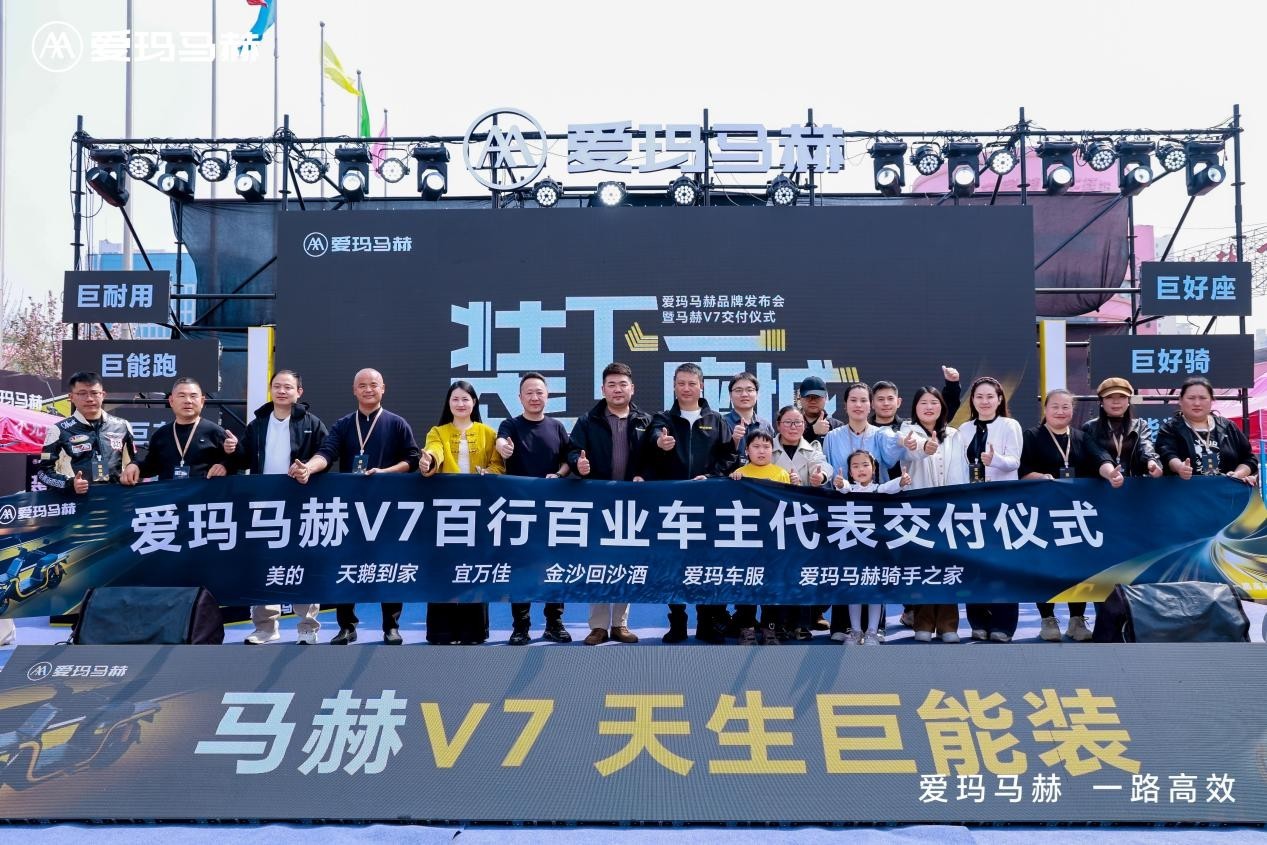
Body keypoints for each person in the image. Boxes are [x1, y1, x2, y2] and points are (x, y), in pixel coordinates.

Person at [290, 368, 420, 645]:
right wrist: (309, 468)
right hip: (349, 508)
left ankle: (391, 626)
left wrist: (386, 472)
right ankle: (346, 626)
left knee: (389, 564)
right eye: (362, 385)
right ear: (354, 390)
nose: (368, 389)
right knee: (345, 565)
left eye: (373, 384)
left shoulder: (397, 424)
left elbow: (412, 459)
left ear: (383, 388)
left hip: (387, 508)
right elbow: (326, 453)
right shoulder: (344, 424)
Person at [25, 371, 138, 648]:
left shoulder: (122, 426)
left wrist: (133, 475)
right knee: (80, 570)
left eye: (95, 393)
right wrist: (68, 484)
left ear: (104, 394)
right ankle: (81, 634)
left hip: (116, 510)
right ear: (72, 397)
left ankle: (117, 630)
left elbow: (134, 464)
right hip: (77, 511)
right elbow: (43, 472)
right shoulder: (59, 429)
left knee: (117, 567)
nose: (90, 398)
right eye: (83, 393)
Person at [233, 370, 329, 645]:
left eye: (288, 387)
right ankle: (265, 627)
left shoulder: (312, 422)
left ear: (299, 392)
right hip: (263, 505)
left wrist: (307, 469)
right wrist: (231, 450)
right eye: (277, 386)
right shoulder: (258, 423)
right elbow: (243, 458)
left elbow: (327, 455)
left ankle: (307, 627)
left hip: (301, 504)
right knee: (263, 564)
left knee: (303, 563)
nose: (282, 391)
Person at [1019, 388, 1122, 642]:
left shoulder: (1081, 437)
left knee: (1078, 566)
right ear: (1045, 409)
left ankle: (1077, 619)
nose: (1060, 411)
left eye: (1066, 407)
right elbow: (1022, 471)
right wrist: (1041, 477)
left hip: (1075, 515)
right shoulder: (1031, 436)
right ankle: (1047, 618)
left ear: (1072, 411)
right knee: (1044, 566)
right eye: (1055, 406)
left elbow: (1100, 459)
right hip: (1042, 513)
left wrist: (1110, 473)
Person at [643, 362, 735, 643]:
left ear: (701, 386)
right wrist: (659, 443)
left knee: (707, 563)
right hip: (672, 507)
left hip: (708, 505)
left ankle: (707, 622)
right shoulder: (663, 419)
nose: (686, 388)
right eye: (681, 383)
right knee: (673, 565)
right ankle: (678, 622)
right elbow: (651, 439)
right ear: (673, 386)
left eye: (692, 383)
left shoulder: (716, 420)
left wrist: (711, 476)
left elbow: (729, 456)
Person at [821, 382, 917, 641]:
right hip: (843, 510)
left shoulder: (880, 433)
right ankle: (843, 626)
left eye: (864, 400)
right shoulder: (832, 436)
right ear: (845, 405)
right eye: (853, 400)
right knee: (847, 567)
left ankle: (876, 628)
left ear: (870, 404)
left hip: (876, 511)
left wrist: (905, 441)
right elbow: (827, 467)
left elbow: (895, 448)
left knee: (875, 568)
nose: (859, 405)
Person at [567, 363, 649, 646]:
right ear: (603, 389)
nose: (617, 390)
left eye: (622, 384)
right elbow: (572, 451)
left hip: (632, 504)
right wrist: (578, 464)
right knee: (598, 563)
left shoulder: (645, 421)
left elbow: (654, 459)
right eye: (611, 385)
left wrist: (644, 473)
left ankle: (620, 624)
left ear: (632, 388)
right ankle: (598, 626)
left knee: (625, 562)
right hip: (596, 503)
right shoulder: (587, 421)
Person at [420, 381, 504, 644]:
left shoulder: (488, 433)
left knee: (474, 569)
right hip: (446, 514)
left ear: (474, 403)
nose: (460, 404)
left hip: (479, 514)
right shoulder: (438, 432)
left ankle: (474, 631)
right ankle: (441, 631)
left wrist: (488, 473)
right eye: (455, 399)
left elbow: (499, 467)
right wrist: (429, 461)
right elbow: (433, 452)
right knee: (444, 568)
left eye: (465, 399)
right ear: (448, 403)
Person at [497, 372, 573, 645]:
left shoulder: (557, 427)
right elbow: (501, 442)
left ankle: (554, 623)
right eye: (529, 392)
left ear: (547, 396)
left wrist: (560, 474)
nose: (534, 397)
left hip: (552, 511)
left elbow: (568, 460)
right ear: (519, 397)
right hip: (519, 511)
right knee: (522, 568)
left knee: (554, 567)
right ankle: (521, 627)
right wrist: (503, 448)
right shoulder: (510, 425)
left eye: (539, 392)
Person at [952, 376, 1024, 643]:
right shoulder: (964, 429)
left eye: (990, 396)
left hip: (1002, 504)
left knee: (1004, 564)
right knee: (975, 563)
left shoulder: (1009, 425)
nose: (984, 401)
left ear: (999, 399)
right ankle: (978, 621)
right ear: (972, 400)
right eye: (979, 397)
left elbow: (1015, 462)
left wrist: (996, 460)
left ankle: (1003, 624)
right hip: (972, 505)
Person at [900, 386, 966, 643]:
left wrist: (956, 504)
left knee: (949, 567)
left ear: (942, 407)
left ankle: (948, 625)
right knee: (923, 568)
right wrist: (923, 447)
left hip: (948, 510)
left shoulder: (954, 434)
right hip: (919, 511)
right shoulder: (907, 431)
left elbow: (960, 470)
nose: (929, 407)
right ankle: (923, 622)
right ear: (915, 408)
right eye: (924, 403)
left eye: (934, 403)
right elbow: (910, 452)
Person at [770, 404, 833, 641]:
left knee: (803, 572)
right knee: (779, 573)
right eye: (787, 422)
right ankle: (778, 623)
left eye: (797, 422)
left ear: (804, 425)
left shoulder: (812, 448)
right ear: (778, 425)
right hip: (774, 521)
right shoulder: (768, 448)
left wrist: (820, 476)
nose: (793, 427)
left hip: (804, 522)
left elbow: (824, 465)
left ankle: (801, 624)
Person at [834, 450, 910, 645]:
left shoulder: (879, 490)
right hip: (853, 551)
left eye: (865, 465)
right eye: (855, 466)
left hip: (876, 551)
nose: (861, 469)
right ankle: (855, 631)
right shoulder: (849, 489)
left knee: (875, 591)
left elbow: (891, 487)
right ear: (850, 471)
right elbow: (843, 488)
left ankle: (872, 631)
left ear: (874, 468)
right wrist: (840, 484)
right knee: (854, 590)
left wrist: (902, 481)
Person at [729, 428, 793, 644]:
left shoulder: (781, 473)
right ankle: (746, 629)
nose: (762, 451)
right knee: (747, 584)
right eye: (756, 446)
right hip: (746, 541)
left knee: (771, 586)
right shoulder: (739, 473)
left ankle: (769, 629)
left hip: (773, 541)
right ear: (747, 450)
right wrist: (732, 481)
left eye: (766, 446)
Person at [121, 377, 233, 483]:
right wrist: (135, 466)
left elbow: (235, 463)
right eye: (182, 396)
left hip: (202, 496)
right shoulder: (160, 435)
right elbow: (151, 466)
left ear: (202, 401)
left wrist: (225, 465)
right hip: (169, 496)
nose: (188, 401)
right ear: (171, 401)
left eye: (193, 396)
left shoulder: (215, 432)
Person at [1156, 376, 1256, 485]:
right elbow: (1167, 455)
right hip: (1185, 491)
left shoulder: (1228, 427)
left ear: (1212, 400)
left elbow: (1249, 459)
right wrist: (1179, 467)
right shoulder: (1170, 428)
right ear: (1180, 400)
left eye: (1203, 398)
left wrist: (1237, 475)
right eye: (1191, 398)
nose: (1197, 403)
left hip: (1225, 491)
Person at [1081, 378, 1163, 479]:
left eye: (1122, 397)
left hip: (1134, 484)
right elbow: (1097, 455)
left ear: (1128, 400)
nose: (1116, 402)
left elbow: (1146, 447)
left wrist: (1151, 462)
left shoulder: (1140, 425)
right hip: (1101, 484)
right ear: (1101, 401)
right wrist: (1109, 473)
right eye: (1109, 397)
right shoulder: (1090, 427)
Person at [724, 372, 773, 465]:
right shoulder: (721, 423)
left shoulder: (765, 425)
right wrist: (733, 440)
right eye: (738, 390)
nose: (744, 394)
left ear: (757, 394)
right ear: (730, 395)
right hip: (729, 474)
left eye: (749, 390)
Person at [796, 376, 843, 445]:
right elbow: (788, 448)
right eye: (808, 396)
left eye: (817, 397)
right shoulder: (791, 425)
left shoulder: (837, 426)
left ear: (825, 398)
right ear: (800, 398)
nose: (813, 401)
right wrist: (812, 431)